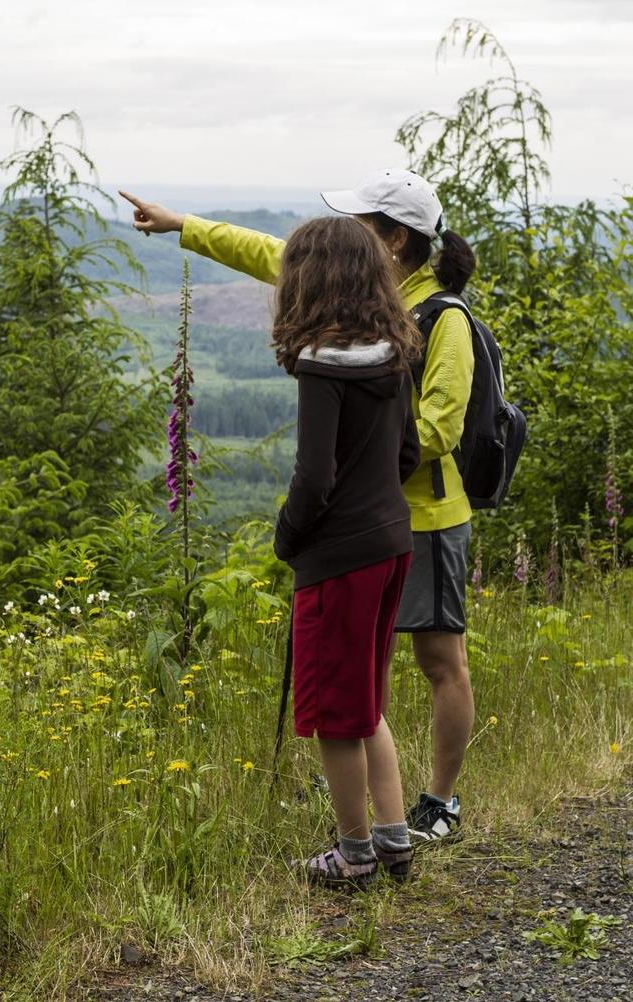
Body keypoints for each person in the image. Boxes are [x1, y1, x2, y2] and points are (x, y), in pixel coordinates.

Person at [121, 170, 477, 843]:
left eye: (362, 225)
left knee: (438, 663)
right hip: (375, 522)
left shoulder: (440, 319)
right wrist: (183, 227)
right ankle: (384, 817)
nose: (345, 237)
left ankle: (438, 803)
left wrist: (355, 471)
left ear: (394, 240)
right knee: (363, 684)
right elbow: (270, 254)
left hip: (420, 519)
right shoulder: (357, 298)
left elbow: (441, 428)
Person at [269, 214, 420, 887]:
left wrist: (289, 535)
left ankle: (353, 854)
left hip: (341, 558)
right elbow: (409, 452)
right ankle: (393, 840)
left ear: (309, 281)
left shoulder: (319, 367)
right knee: (367, 702)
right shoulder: (395, 353)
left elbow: (314, 477)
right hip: (393, 543)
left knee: (336, 713)